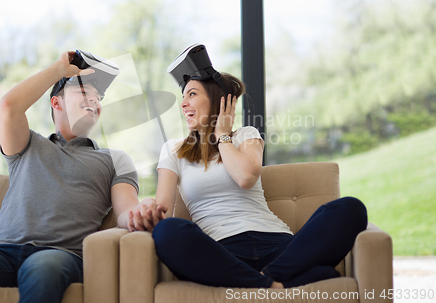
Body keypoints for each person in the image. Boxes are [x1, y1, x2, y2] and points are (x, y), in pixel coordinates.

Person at [130, 44, 368, 289]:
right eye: (183, 97)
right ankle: (278, 284)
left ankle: (263, 279)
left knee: (351, 208)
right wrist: (148, 205)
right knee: (168, 232)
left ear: (218, 101)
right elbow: (164, 212)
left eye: (192, 94)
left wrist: (222, 135)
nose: (183, 104)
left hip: (278, 245)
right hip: (221, 252)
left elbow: (245, 177)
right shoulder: (173, 149)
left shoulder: (245, 135)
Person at [0, 50, 151, 303]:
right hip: (0, 251)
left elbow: (126, 210)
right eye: (83, 92)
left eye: (98, 96)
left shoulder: (115, 159)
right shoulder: (27, 144)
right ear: (56, 103)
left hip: (60, 254)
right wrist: (60, 68)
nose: (94, 100)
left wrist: (139, 214)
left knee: (43, 269)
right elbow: (8, 106)